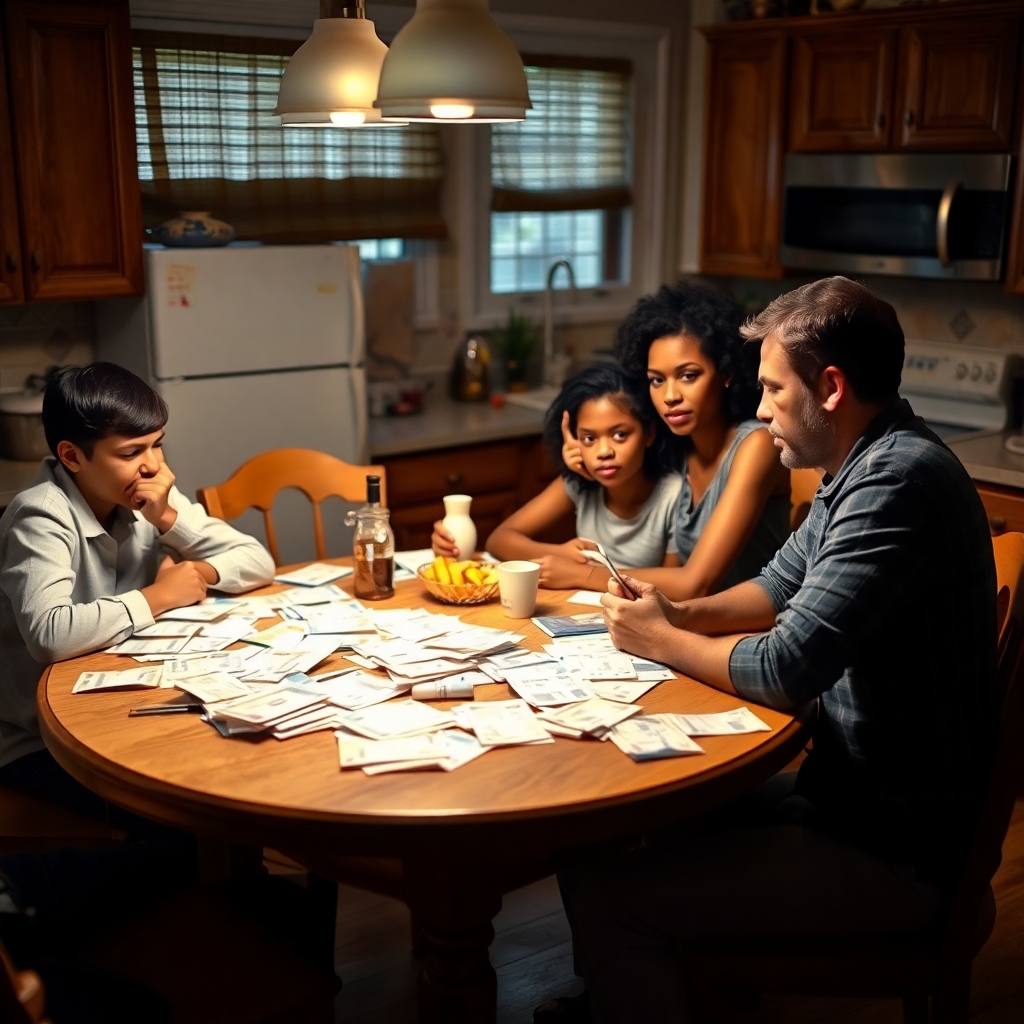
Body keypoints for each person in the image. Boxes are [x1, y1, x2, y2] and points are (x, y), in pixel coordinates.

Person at [559, 277, 996, 1023]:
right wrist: (679, 611)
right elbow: (773, 586)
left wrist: (661, 641)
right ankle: (622, 993)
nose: (758, 411)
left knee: (614, 899)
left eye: (770, 389)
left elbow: (785, 667)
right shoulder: (858, 464)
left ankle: (629, 974)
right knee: (595, 831)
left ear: (829, 388)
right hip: (841, 799)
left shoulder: (896, 481)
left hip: (893, 849)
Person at [0, 362, 276, 822]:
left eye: (158, 446)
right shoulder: (40, 516)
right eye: (131, 451)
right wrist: (160, 595)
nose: (153, 465)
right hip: (39, 738)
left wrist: (171, 524)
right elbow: (50, 634)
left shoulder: (147, 494)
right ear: (72, 456)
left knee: (231, 784)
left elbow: (257, 561)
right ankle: (29, 884)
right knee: (180, 819)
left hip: (120, 709)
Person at [436, 364, 682, 590]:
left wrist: (579, 574)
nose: (604, 452)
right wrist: (563, 554)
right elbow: (499, 540)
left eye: (619, 435)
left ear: (649, 433)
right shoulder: (579, 484)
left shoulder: (673, 495)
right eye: (589, 438)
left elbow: (674, 587)